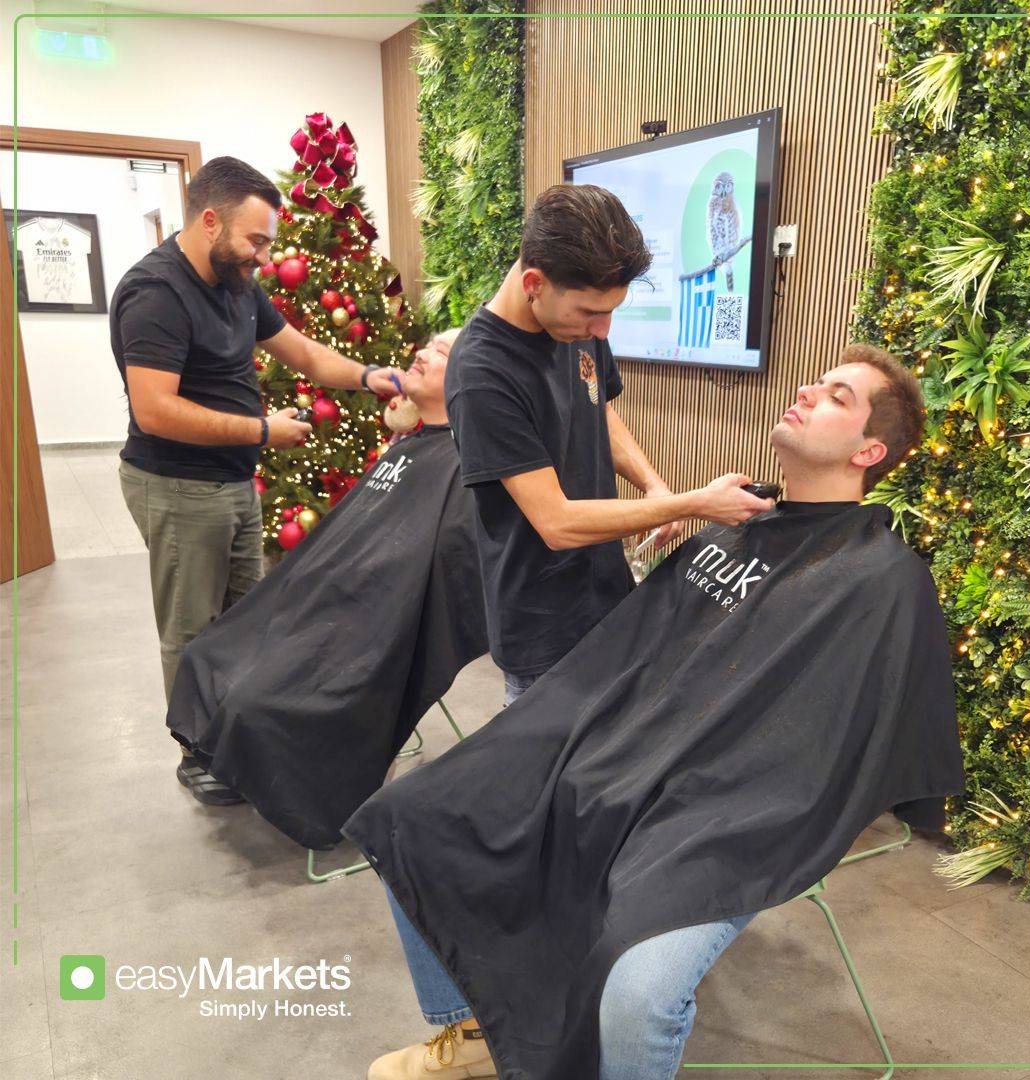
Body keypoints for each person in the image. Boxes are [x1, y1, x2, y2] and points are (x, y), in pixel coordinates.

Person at [345, 344, 966, 1080]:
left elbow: (855, 735)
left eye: (837, 396)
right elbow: (636, 658)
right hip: (619, 756)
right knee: (409, 816)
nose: (807, 390)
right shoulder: (737, 521)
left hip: (726, 812)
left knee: (638, 994)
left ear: (869, 450)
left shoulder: (884, 577)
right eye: (816, 381)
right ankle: (475, 1033)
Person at [110, 156, 404, 805]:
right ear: (210, 221)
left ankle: (236, 736)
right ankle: (197, 752)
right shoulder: (156, 293)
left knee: (245, 620)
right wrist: (262, 431)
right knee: (193, 629)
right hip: (178, 486)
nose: (265, 257)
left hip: (233, 482)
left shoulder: (235, 281)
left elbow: (303, 352)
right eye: (257, 240)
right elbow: (155, 411)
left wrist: (368, 376)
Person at [444, 184, 774, 709]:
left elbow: (596, 407)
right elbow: (556, 523)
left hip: (605, 595)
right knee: (544, 761)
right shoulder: (482, 374)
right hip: (542, 626)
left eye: (613, 312)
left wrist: (654, 485)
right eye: (591, 313)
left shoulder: (577, 326)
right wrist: (692, 503)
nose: (602, 330)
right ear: (534, 284)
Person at [165, 331, 488, 848]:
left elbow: (439, 573)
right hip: (327, 603)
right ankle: (235, 761)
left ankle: (275, 775)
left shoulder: (465, 462)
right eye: (424, 345)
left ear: (470, 376)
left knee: (253, 697)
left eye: (440, 352)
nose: (420, 352)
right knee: (209, 655)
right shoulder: (412, 444)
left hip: (367, 623)